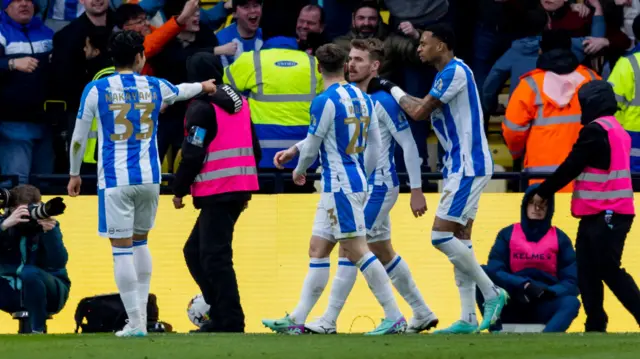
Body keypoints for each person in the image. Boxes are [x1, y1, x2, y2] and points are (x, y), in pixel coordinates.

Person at [66, 30, 217, 337]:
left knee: (121, 249)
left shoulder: (96, 89)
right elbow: (182, 90)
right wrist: (204, 85)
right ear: (139, 57)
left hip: (115, 180)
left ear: (113, 57)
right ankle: (141, 322)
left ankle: (135, 322)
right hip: (149, 178)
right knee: (141, 243)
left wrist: (74, 172)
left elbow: (79, 138)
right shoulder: (153, 86)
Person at [290, 38, 438, 335]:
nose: (352, 64)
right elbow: (330, 135)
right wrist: (296, 149)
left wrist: (417, 189)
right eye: (351, 59)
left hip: (378, 187)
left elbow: (408, 145)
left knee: (350, 249)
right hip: (364, 185)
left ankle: (329, 319)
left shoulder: (380, 101)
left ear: (375, 66)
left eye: (359, 60)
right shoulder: (351, 98)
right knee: (383, 252)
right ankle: (421, 311)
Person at [368, 23, 508, 334]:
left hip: (467, 166)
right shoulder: (446, 76)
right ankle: (467, 319)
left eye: (424, 43)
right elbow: (423, 106)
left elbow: (418, 113)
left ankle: (492, 292)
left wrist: (390, 87)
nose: (418, 48)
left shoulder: (454, 72)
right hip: (461, 166)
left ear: (441, 46)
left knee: (441, 237)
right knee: (461, 241)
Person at [261, 43, 406, 336]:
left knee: (356, 250)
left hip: (340, 186)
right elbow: (375, 144)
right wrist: (361, 174)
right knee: (318, 248)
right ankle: (299, 317)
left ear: (317, 68)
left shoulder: (324, 101)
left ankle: (395, 316)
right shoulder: (364, 99)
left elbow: (314, 144)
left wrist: (299, 171)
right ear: (344, 66)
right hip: (345, 184)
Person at [532, 80, 640, 332]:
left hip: (607, 211)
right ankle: (595, 324)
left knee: (606, 269)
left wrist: (543, 191)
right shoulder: (617, 129)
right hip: (604, 212)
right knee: (588, 270)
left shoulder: (595, 130)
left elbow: (573, 164)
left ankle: (608, 319)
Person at [171, 53, 261, 333]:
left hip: (217, 189)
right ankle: (221, 312)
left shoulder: (200, 108)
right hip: (237, 187)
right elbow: (255, 149)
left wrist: (179, 190)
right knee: (196, 252)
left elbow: (192, 153)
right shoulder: (241, 103)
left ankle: (229, 320)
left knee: (213, 256)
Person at [503, 29, 601, 192]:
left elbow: (512, 131)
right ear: (570, 48)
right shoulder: (592, 79)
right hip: (586, 177)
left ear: (541, 50)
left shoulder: (530, 85)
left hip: (543, 178)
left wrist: (517, 154)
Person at [480, 184, 580, 333]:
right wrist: (523, 285)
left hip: (544, 303)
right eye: (532, 203)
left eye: (542, 204)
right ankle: (496, 330)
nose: (537, 208)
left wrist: (548, 291)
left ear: (550, 208)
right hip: (512, 301)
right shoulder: (507, 234)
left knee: (572, 303)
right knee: (481, 272)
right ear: (525, 206)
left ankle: (545, 340)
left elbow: (572, 281)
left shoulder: (560, 238)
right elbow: (495, 269)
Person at [0, 185, 70, 334]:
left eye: (32, 211)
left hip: (51, 292)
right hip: (10, 291)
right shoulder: (4, 224)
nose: (29, 217)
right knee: (26, 273)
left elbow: (58, 262)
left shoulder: (48, 225)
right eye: (23, 212)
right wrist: (4, 226)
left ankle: (37, 330)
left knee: (29, 273)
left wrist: (50, 234)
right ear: (11, 210)